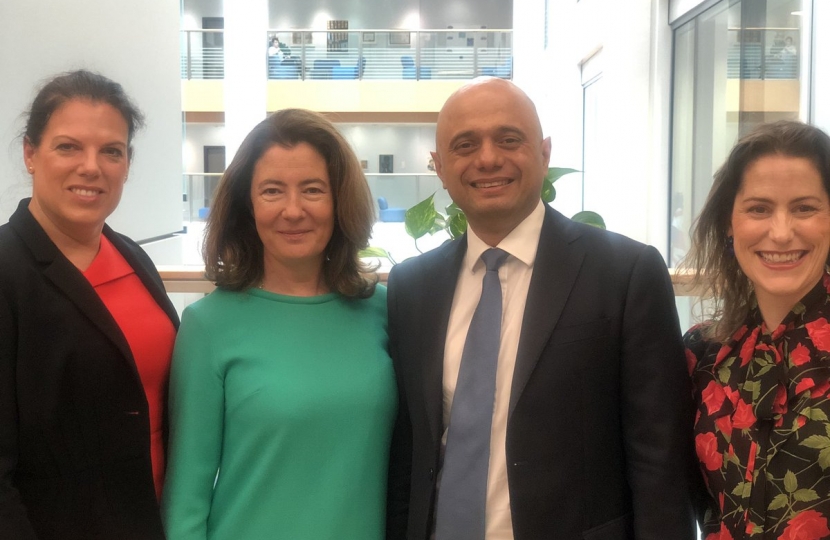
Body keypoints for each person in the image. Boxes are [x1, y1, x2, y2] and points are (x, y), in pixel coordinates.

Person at [385, 77, 697, 539]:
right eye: (465, 145)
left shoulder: (625, 273)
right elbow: (410, 450)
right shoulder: (412, 287)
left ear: (544, 153)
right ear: (440, 167)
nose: (488, 158)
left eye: (509, 139)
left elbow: (660, 460)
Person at [162, 108, 396, 540]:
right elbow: (186, 500)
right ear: (247, 207)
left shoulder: (385, 313)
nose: (293, 210)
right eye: (272, 191)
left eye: (312, 189)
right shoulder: (209, 325)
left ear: (339, 199)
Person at [0, 70, 178, 539]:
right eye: (68, 146)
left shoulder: (132, 256)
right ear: (30, 153)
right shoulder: (6, 271)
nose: (91, 167)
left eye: (111, 151)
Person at [683, 120, 830, 538]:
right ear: (730, 223)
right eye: (758, 208)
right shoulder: (702, 355)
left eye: (805, 207)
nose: (781, 233)